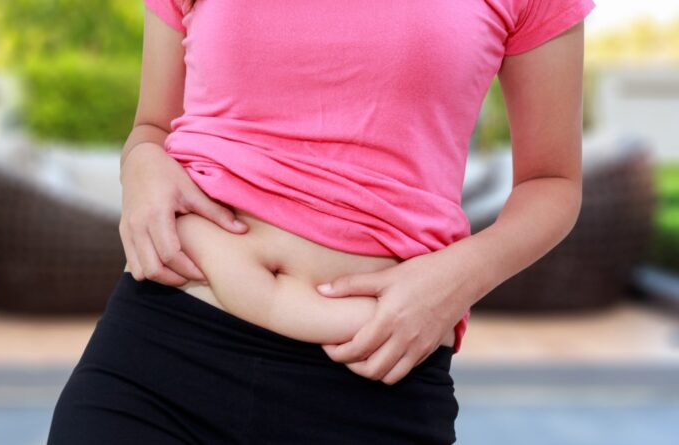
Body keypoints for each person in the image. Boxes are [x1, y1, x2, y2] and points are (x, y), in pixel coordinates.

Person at [47, 0, 596, 443]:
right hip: (162, 347)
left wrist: (456, 280)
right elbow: (151, 127)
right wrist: (140, 163)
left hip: (374, 374)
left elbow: (552, 184)